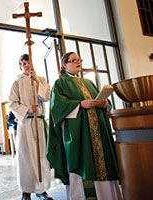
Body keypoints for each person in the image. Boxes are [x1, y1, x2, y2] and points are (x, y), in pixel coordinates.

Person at [47, 52, 123, 199]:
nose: (78, 62)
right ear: (64, 65)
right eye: (73, 60)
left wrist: (104, 104)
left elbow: (98, 99)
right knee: (82, 164)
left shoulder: (88, 82)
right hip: (79, 134)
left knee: (103, 163)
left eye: (79, 60)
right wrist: (80, 104)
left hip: (98, 132)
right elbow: (57, 108)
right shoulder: (60, 83)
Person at [9, 54, 53, 200]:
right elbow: (12, 103)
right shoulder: (17, 83)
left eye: (30, 63)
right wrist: (27, 109)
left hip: (39, 124)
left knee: (41, 156)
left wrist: (36, 81)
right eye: (24, 63)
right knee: (26, 158)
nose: (28, 66)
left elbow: (47, 97)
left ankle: (42, 189)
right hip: (26, 123)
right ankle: (26, 191)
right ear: (20, 66)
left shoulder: (41, 80)